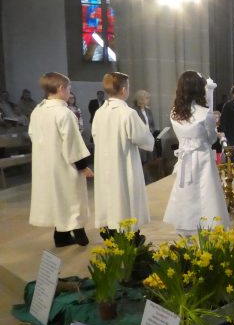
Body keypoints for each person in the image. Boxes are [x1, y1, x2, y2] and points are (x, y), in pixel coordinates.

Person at [29, 72, 93, 247]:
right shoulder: (64, 113)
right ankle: (79, 232)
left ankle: (61, 237)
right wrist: (83, 166)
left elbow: (32, 134)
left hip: (45, 164)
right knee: (72, 198)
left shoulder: (38, 110)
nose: (70, 92)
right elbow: (72, 143)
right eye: (69, 88)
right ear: (61, 88)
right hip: (64, 164)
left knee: (58, 199)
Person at [163, 71, 230, 234]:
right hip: (202, 158)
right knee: (205, 193)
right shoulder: (204, 113)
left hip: (185, 158)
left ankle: (186, 222)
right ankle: (206, 223)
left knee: (187, 191)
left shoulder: (174, 113)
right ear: (199, 89)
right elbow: (212, 139)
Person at [92, 72, 155, 232]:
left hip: (104, 163)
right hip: (123, 161)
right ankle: (129, 234)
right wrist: (150, 138)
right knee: (125, 197)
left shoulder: (100, 112)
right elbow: (142, 138)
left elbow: (94, 135)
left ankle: (111, 230)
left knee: (109, 196)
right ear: (124, 90)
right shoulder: (127, 113)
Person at [131, 90, 159, 166]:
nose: (148, 100)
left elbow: (152, 124)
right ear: (140, 99)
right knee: (142, 164)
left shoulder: (148, 111)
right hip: (140, 141)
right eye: (147, 98)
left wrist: (151, 131)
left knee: (151, 163)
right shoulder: (133, 111)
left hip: (149, 138)